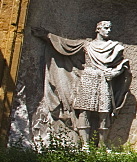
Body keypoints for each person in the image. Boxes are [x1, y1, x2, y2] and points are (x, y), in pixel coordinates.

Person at [34, 20, 130, 148]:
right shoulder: (87, 45)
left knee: (104, 113)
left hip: (103, 79)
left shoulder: (115, 47)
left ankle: (102, 146)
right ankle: (85, 145)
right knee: (84, 111)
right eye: (106, 28)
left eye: (110, 28)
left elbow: (123, 65)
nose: (109, 31)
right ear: (98, 29)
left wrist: (114, 73)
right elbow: (66, 45)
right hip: (88, 78)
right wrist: (47, 36)